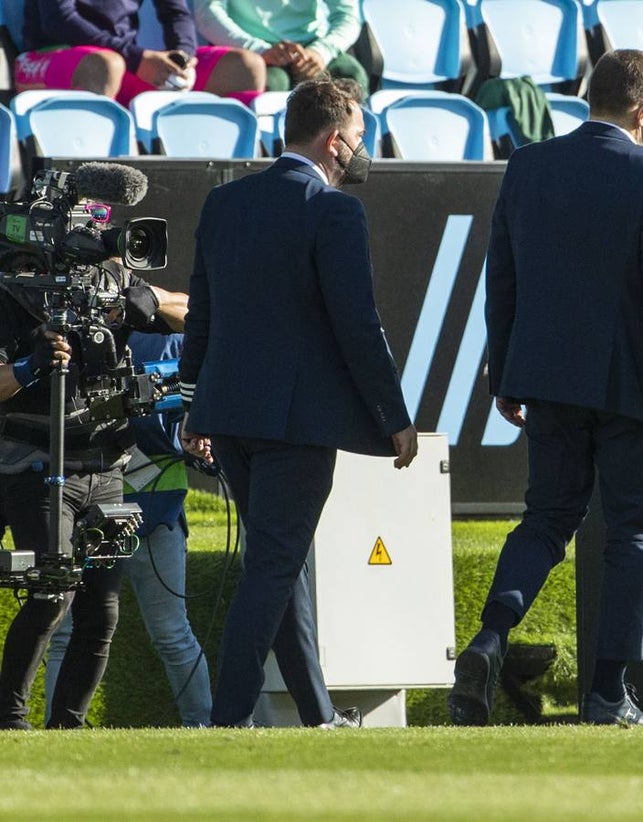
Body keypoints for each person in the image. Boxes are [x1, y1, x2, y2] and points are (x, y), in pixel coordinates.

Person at [448, 49, 643, 727]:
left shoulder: (529, 166)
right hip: (634, 387)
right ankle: (606, 696)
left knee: (546, 519)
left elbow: (500, 277)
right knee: (632, 538)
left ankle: (490, 638)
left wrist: (504, 370)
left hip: (548, 383)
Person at [178, 76, 417, 729]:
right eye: (360, 140)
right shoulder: (334, 210)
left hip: (230, 417)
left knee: (279, 564)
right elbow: (358, 326)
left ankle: (315, 716)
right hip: (296, 422)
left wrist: (195, 406)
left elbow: (203, 317)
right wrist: (394, 418)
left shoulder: (225, 204)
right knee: (276, 565)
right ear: (334, 140)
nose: (362, 154)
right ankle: (228, 719)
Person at [0, 263, 187, 730]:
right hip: (35, 466)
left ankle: (69, 726)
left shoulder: (110, 280)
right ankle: (10, 719)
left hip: (107, 467)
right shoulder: (10, 291)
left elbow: (197, 313)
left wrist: (151, 301)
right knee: (50, 594)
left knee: (102, 612)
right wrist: (29, 366)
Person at [43, 331, 213, 728]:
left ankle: (202, 725)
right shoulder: (71, 338)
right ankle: (60, 729)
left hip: (154, 513)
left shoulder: (172, 343)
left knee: (171, 634)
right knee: (68, 634)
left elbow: (188, 424)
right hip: (89, 514)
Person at [15, 1, 266, 107]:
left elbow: (176, 14)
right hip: (49, 58)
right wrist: (137, 59)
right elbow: (59, 19)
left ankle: (227, 196)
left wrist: (183, 59)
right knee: (105, 65)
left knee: (245, 65)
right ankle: (91, 193)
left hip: (124, 63)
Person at [195, 0, 368, 97]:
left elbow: (348, 16)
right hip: (253, 53)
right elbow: (207, 15)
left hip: (312, 48)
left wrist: (320, 52)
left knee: (351, 76)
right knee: (273, 83)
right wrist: (259, 50)